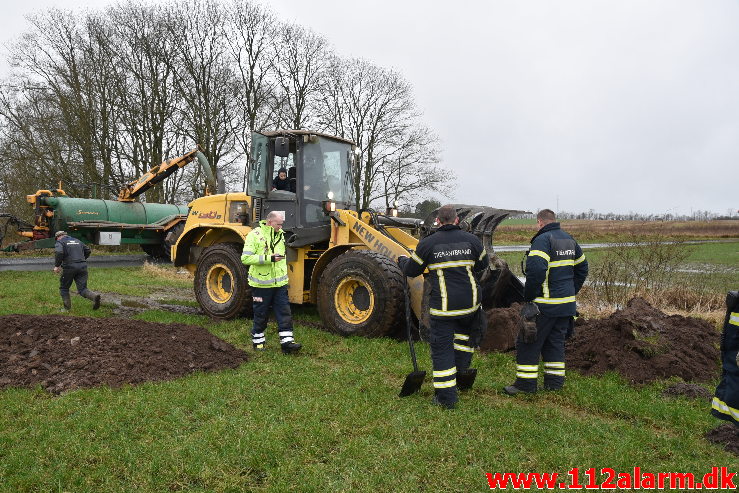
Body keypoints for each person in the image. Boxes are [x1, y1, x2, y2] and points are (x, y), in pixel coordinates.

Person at [398, 204, 488, 409]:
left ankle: (446, 398)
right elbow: (483, 265)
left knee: (442, 349)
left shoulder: (428, 244)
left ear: (438, 221)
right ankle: (460, 377)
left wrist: (402, 260)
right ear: (457, 220)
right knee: (464, 342)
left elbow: (412, 270)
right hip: (470, 305)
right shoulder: (472, 240)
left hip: (444, 309)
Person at [504, 209, 588, 395]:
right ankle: (554, 383)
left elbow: (536, 271)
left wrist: (529, 297)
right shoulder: (569, 239)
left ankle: (525, 385)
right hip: (566, 306)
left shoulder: (542, 240)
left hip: (545, 305)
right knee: (555, 344)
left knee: (528, 341)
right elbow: (583, 268)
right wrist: (570, 292)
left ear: (540, 222)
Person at [241, 211, 302, 354]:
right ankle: (258, 342)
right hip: (261, 286)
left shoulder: (280, 235)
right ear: (269, 222)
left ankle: (287, 343)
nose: (281, 227)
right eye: (278, 224)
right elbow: (245, 259)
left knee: (284, 312)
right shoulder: (254, 235)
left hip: (279, 284)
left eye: (282, 224)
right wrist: (269, 258)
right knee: (261, 314)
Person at [53, 230, 101, 310]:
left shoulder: (60, 242)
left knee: (64, 288)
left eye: (56, 239)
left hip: (69, 267)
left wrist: (57, 266)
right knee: (82, 289)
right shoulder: (77, 241)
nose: (57, 240)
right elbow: (88, 250)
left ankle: (66, 309)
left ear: (58, 237)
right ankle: (94, 296)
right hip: (83, 266)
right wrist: (82, 259)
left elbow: (59, 252)